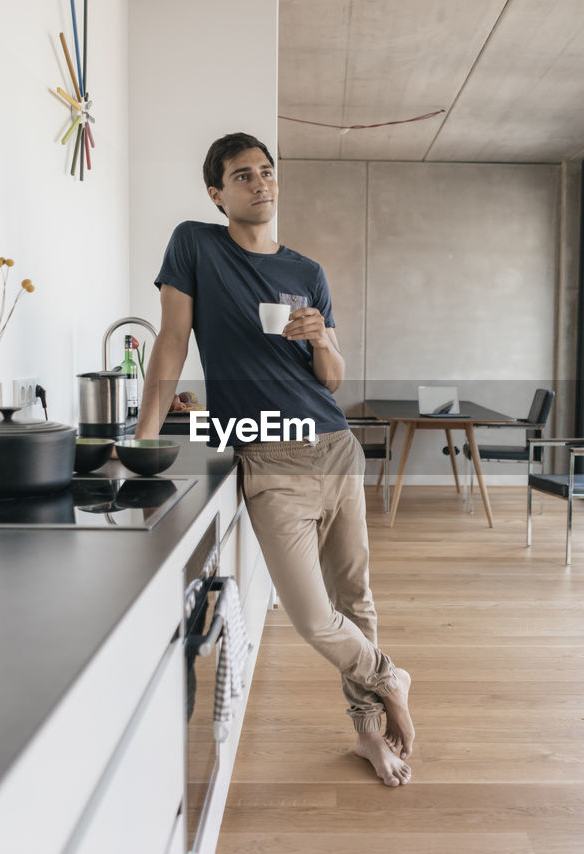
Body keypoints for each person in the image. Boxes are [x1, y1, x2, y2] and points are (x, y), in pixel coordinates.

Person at [134, 131, 415, 787]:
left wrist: (320, 338)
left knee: (357, 598)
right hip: (269, 457)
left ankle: (369, 736)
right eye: (242, 176)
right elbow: (172, 345)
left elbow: (335, 379)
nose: (260, 184)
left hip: (335, 445)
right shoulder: (195, 246)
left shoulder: (306, 272)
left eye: (266, 172)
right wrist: (144, 444)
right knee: (314, 615)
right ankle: (389, 675)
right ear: (216, 191)